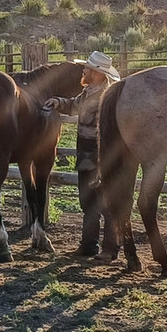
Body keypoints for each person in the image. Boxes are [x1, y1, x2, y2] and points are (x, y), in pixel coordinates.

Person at [42, 50, 120, 257]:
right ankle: (89, 246)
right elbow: (74, 106)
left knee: (105, 200)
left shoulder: (108, 95)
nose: (83, 70)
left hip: (101, 153)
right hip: (86, 152)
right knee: (88, 200)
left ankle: (110, 248)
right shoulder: (89, 92)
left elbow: (110, 128)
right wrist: (58, 102)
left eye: (86, 68)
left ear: (95, 72)